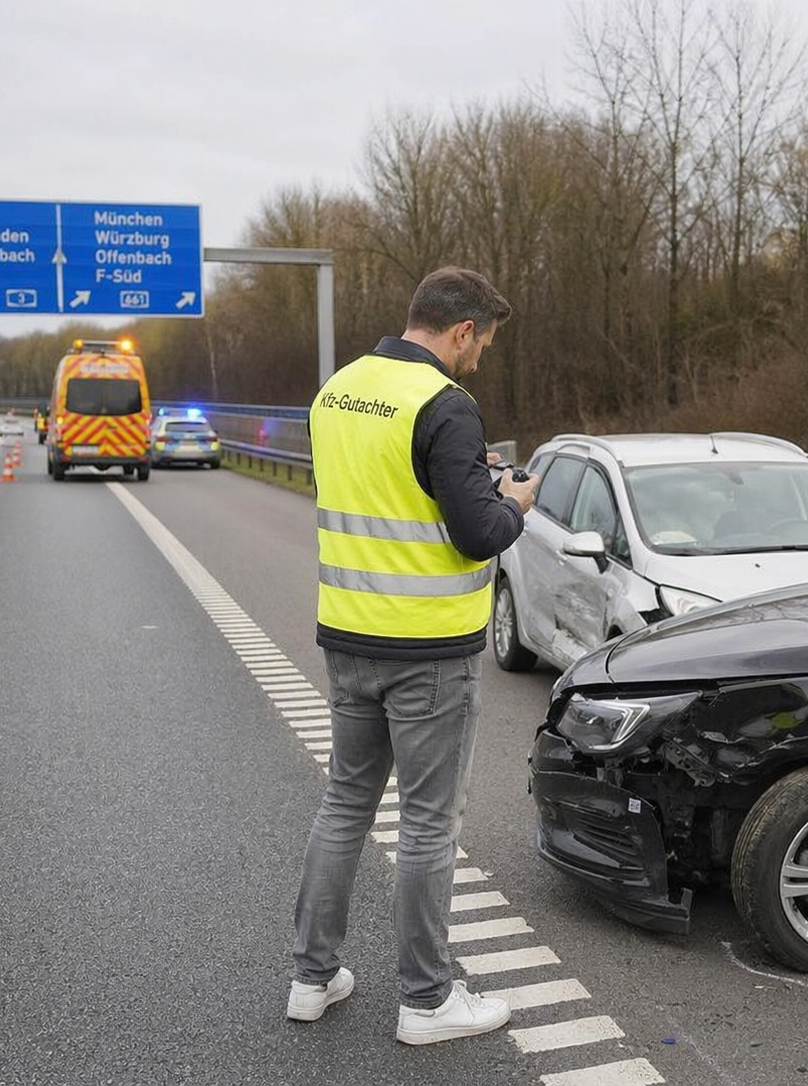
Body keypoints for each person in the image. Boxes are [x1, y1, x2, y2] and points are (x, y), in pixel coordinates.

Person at [286, 267, 540, 1044]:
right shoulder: (446, 404)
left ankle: (312, 977)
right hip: (428, 650)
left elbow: (388, 490)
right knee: (429, 825)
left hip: (348, 635)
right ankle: (427, 1002)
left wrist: (472, 482)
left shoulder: (337, 391)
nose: (481, 358)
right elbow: (479, 533)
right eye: (484, 342)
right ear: (461, 330)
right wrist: (514, 503)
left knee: (345, 805)